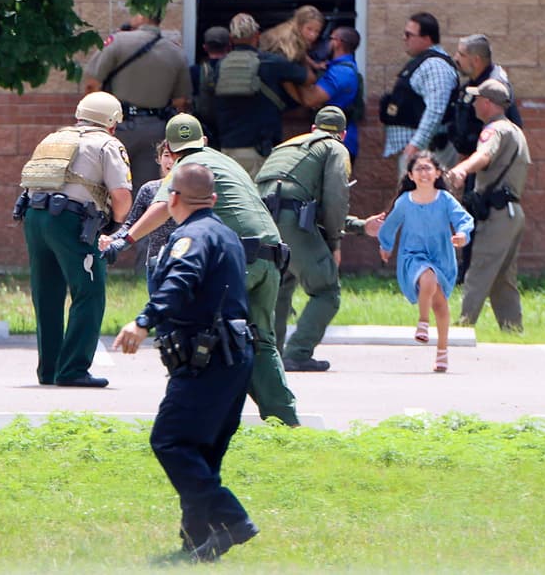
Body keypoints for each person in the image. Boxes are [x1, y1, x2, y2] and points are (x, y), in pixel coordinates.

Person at [104, 113, 299, 426]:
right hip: (271, 256)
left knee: (198, 333)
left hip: (239, 260)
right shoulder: (227, 163)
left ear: (171, 147)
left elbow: (161, 207)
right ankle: (286, 422)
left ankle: (197, 419)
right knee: (260, 341)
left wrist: (123, 241)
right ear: (204, 141)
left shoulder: (186, 167)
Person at [112, 162, 258, 562]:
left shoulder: (189, 238)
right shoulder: (225, 234)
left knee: (171, 440)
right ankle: (196, 543)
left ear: (173, 198)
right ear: (212, 199)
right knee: (202, 451)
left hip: (204, 358)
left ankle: (231, 518)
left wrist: (143, 321)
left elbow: (180, 282)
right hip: (235, 356)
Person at [17, 91, 133, 388]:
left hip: (34, 216)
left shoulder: (53, 139)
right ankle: (73, 370)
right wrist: (117, 228)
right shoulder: (107, 143)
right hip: (71, 222)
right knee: (89, 292)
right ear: (111, 122)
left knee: (47, 295)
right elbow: (121, 195)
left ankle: (50, 369)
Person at [256, 107, 352, 372]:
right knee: (326, 290)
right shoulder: (335, 148)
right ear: (342, 134)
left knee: (281, 284)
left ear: (313, 128)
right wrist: (334, 241)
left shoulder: (286, 146)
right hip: (291, 220)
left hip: (262, 218)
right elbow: (335, 198)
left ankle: (268, 353)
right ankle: (297, 353)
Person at [445, 79, 530, 332]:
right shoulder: (515, 130)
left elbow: (484, 155)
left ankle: (461, 327)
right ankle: (512, 329)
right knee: (503, 278)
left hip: (498, 213)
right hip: (512, 213)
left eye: (476, 99)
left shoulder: (494, 131)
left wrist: (461, 169)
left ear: (487, 103)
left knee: (479, 269)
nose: (472, 105)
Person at [377, 152, 473, 373]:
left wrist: (462, 235)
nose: (424, 173)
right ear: (410, 175)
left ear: (438, 173)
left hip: (442, 257)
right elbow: (390, 226)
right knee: (427, 277)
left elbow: (463, 220)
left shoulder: (445, 200)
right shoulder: (404, 202)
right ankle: (422, 321)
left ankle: (442, 351)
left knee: (440, 304)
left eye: (428, 168)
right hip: (413, 256)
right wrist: (386, 246)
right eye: (419, 169)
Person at [83, 9, 190, 191]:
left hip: (117, 126)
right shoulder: (175, 52)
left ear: (142, 16)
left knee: (106, 188)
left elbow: (92, 84)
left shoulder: (118, 41)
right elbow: (181, 101)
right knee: (146, 190)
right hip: (155, 129)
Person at [213, 13, 313, 179]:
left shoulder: (220, 66)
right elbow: (309, 79)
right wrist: (303, 55)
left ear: (231, 38)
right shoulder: (271, 63)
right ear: (257, 35)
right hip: (260, 152)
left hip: (227, 150)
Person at [379, 12, 458, 175]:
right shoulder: (425, 62)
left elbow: (435, 110)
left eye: (409, 34)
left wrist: (416, 144)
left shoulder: (436, 66)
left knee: (423, 199)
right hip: (420, 153)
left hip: (428, 153)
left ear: (427, 38)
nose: (404, 38)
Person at [106, 140, 177, 291]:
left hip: (183, 261)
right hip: (156, 264)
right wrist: (111, 239)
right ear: (158, 159)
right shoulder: (149, 189)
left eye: (176, 156)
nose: (171, 161)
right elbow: (130, 225)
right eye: (166, 155)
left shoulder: (193, 188)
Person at [291, 26, 364, 162]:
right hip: (333, 142)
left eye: (330, 39)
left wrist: (296, 72)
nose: (326, 43)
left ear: (338, 42)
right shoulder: (337, 67)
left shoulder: (341, 72)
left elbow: (310, 99)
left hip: (336, 145)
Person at [190, 26, 231, 150]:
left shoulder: (195, 71)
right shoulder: (233, 71)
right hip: (231, 127)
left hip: (204, 128)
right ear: (229, 46)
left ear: (205, 47)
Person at [260, 4, 326, 66]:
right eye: (309, 29)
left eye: (317, 31)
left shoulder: (297, 34)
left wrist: (315, 65)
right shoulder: (289, 41)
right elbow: (290, 64)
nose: (313, 35)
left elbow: (303, 54)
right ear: (299, 25)